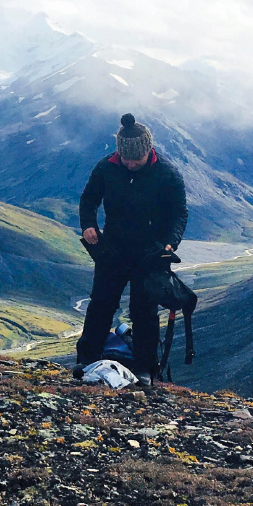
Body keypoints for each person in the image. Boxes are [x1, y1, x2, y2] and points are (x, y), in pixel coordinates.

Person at [73, 114, 189, 385]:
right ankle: (87, 360)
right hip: (112, 249)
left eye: (135, 160)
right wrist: (88, 225)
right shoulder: (106, 167)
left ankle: (145, 369)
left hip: (151, 253)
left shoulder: (167, 173)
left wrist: (170, 244)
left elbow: (179, 213)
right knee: (101, 303)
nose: (130, 164)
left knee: (145, 310)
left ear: (148, 152)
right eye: (125, 159)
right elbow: (88, 200)